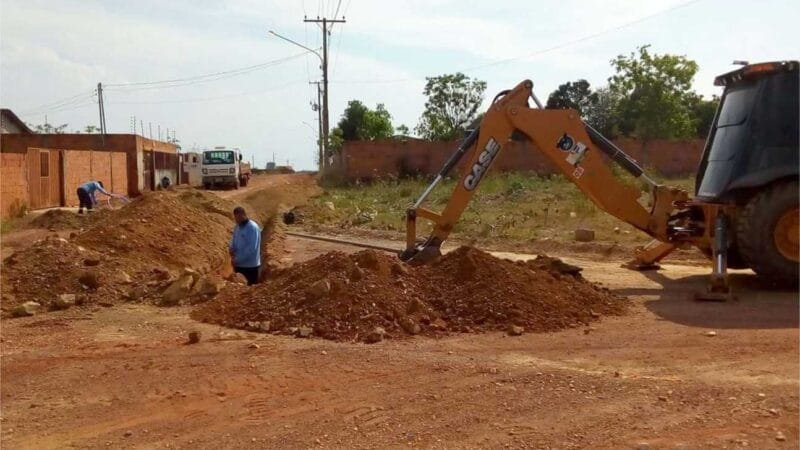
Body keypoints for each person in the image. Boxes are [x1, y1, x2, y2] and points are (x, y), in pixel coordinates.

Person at [229, 206, 262, 285]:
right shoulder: (237, 227)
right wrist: (231, 248)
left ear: (244, 215)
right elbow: (233, 239)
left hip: (250, 267)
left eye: (238, 217)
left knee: (250, 291)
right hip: (239, 266)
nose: (237, 220)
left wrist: (237, 260)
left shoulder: (252, 228)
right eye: (235, 218)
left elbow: (251, 249)